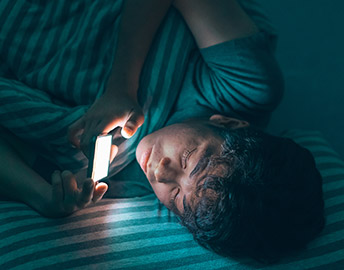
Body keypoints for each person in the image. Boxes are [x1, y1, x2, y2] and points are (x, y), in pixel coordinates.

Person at [0, 0, 325, 262]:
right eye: (187, 158)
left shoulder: (125, 184)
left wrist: (40, 196)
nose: (161, 172)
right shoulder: (245, 86)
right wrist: (121, 87)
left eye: (176, 198)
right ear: (229, 124)